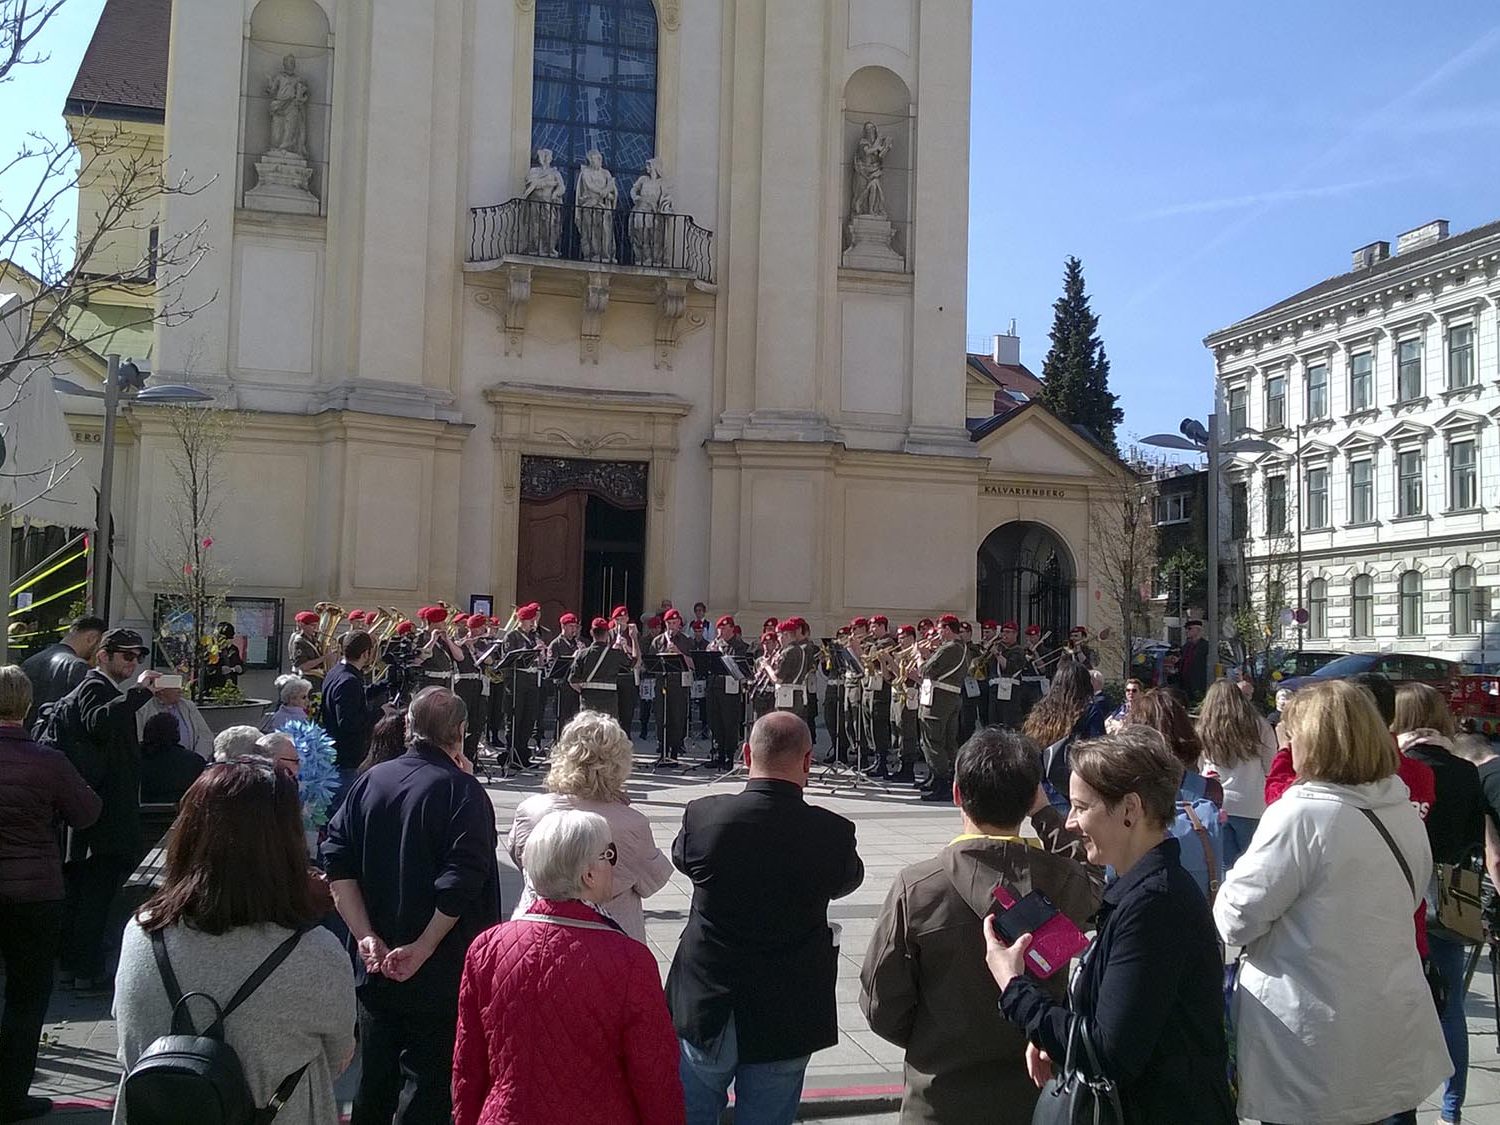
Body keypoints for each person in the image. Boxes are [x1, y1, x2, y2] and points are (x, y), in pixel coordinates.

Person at [1215, 679, 1451, 1125]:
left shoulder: (1300, 814)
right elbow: (1414, 892)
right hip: (1387, 1023)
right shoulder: (1401, 808)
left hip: (1311, 1038)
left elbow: (1235, 920)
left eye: (1293, 734)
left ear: (1314, 741)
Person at [984, 727, 1237, 1123]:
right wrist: (1054, 1033)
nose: (1070, 822)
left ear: (1130, 810)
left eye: (1082, 807)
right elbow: (1124, 1015)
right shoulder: (1143, 891)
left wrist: (1014, 988)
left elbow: (1108, 1051)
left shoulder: (1155, 905)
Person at [861, 728, 1102, 1123]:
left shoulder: (918, 887)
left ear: (957, 793)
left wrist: (933, 1041)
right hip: (1033, 1096)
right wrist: (1044, 813)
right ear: (1028, 800)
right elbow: (1096, 871)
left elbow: (881, 1005)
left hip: (940, 1097)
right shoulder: (1064, 880)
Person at [114, 762, 355, 1125]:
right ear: (285, 846)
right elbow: (340, 1057)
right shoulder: (316, 952)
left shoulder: (142, 934)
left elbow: (127, 1041)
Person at [668, 712, 863, 1125]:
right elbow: (848, 881)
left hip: (709, 999)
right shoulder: (832, 833)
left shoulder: (702, 817)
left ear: (745, 754)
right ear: (808, 762)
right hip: (786, 1006)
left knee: (690, 1112)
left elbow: (683, 860)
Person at [323, 687, 501, 1125]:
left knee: (375, 1078)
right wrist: (421, 947)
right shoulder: (462, 791)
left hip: (377, 962)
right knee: (429, 1086)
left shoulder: (371, 780)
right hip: (438, 967)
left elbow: (336, 861)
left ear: (409, 729)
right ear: (460, 733)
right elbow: (461, 881)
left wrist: (365, 936)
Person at [453, 810, 685, 1125]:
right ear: (588, 875)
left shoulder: (487, 947)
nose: (613, 865)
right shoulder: (630, 959)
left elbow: (468, 1062)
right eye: (609, 855)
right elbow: (654, 1072)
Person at [0, 665, 101, 1123]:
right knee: (26, 996)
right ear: (26, 705)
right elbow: (86, 813)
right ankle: (10, 1094)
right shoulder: (46, 760)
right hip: (33, 892)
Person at [1393, 682, 1484, 1125]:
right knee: (1450, 1007)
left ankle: (1400, 1102)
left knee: (1395, 1007)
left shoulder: (1396, 768)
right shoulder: (1466, 770)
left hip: (1399, 895)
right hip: (1449, 898)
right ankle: (1453, 1106)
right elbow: (1476, 840)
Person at [56, 628, 162, 995]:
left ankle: (75, 967)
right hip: (101, 816)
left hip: (98, 812)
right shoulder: (93, 687)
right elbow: (99, 722)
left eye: (138, 657)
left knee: (88, 894)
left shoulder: (103, 690)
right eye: (126, 656)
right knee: (94, 897)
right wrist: (140, 694)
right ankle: (84, 969)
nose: (133, 663)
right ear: (103, 655)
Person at [507, 710, 673, 942]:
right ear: (621, 763)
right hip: (612, 939)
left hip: (537, 935)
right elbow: (653, 882)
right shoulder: (633, 823)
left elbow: (520, 859)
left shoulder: (530, 811)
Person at [1196, 678, 1277, 869]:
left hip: (1216, 803)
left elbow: (1201, 766)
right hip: (1251, 802)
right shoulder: (1259, 725)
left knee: (1224, 864)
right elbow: (1270, 764)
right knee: (1253, 863)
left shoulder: (1204, 728)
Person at [321, 632, 391, 812]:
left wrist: (383, 685)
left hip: (338, 753)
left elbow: (354, 698)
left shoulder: (336, 672)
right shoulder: (348, 680)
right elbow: (349, 723)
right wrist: (380, 712)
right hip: (347, 758)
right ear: (366, 653)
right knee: (343, 810)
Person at [1022, 659, 1104, 811]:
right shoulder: (1088, 711)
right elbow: (1096, 749)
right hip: (1073, 788)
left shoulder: (1041, 711)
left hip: (1043, 791)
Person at [915, 615, 969, 802]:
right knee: (947, 741)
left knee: (933, 741)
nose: (937, 633)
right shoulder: (962, 648)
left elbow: (926, 670)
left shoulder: (949, 648)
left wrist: (921, 655)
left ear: (947, 629)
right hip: (951, 697)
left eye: (939, 629)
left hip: (939, 700)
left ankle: (942, 782)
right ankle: (945, 780)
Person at [21, 615, 106, 728]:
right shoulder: (79, 667)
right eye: (100, 646)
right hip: (57, 738)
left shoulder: (30, 662)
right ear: (91, 638)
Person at [138, 712, 208, 803]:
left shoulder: (133, 761)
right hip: (181, 814)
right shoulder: (194, 761)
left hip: (142, 814)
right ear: (176, 733)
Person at [135, 681, 215, 760]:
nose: (180, 690)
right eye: (175, 688)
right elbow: (140, 740)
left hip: (191, 764)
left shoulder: (188, 706)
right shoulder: (143, 709)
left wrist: (197, 758)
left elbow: (205, 736)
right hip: (158, 765)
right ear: (161, 690)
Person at [1178, 618, 1210, 702]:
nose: (1186, 631)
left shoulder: (1206, 647)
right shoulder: (1186, 647)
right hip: (1184, 684)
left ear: (1198, 630)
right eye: (1186, 629)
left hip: (1199, 684)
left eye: (1189, 629)